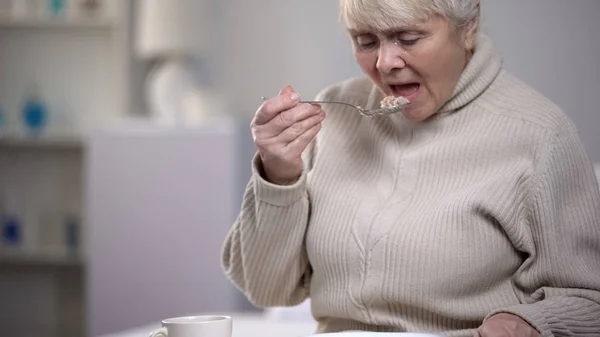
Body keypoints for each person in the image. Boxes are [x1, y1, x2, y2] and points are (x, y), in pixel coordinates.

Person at [221, 0, 600, 336]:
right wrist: (278, 175)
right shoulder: (334, 112)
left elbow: (589, 301)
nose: (385, 63)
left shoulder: (540, 135)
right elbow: (266, 289)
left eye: (407, 37)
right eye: (366, 41)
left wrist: (531, 323)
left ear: (467, 29)